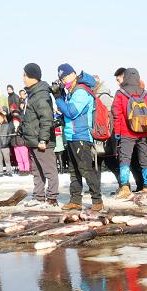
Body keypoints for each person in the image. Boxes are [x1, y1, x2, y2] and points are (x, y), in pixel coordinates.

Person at [53, 63, 103, 211]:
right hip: (72, 136)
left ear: (74, 74)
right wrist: (61, 96)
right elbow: (68, 113)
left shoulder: (80, 91)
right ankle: (75, 200)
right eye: (61, 78)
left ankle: (97, 201)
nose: (63, 80)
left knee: (86, 170)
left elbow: (72, 112)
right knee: (74, 171)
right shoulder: (72, 91)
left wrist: (58, 98)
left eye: (65, 76)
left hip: (81, 136)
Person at [110, 68, 147, 199]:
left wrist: (118, 132)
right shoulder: (146, 94)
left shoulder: (120, 93)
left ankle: (125, 186)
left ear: (125, 77)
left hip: (126, 132)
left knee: (125, 159)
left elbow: (117, 114)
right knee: (145, 159)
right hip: (144, 132)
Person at [21, 63, 58, 205]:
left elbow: (46, 119)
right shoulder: (32, 94)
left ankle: (52, 198)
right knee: (36, 171)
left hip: (42, 141)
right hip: (33, 140)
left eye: (25, 75)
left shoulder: (41, 95)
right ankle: (38, 196)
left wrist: (43, 139)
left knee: (49, 170)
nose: (23, 78)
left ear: (33, 76)